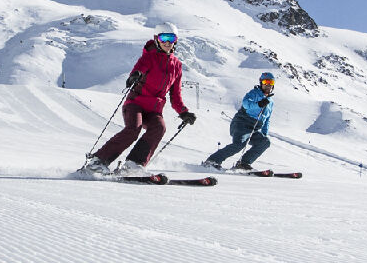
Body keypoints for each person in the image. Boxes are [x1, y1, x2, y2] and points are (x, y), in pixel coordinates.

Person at [84, 25, 196, 175]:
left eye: (172, 38)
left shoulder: (177, 66)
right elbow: (139, 68)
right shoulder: (149, 57)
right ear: (157, 39)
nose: (167, 42)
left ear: (176, 41)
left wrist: (183, 112)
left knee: (159, 127)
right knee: (133, 129)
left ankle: (133, 164)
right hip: (135, 104)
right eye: (164, 38)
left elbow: (175, 95)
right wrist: (135, 75)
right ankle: (98, 161)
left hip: (154, 110)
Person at [203, 72, 276, 170]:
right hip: (242, 123)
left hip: (254, 128)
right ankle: (212, 160)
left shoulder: (270, 102)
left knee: (265, 142)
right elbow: (246, 104)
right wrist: (258, 104)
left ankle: (243, 163)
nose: (268, 85)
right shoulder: (254, 93)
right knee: (239, 144)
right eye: (266, 82)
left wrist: (264, 133)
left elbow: (267, 120)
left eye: (270, 82)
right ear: (261, 83)